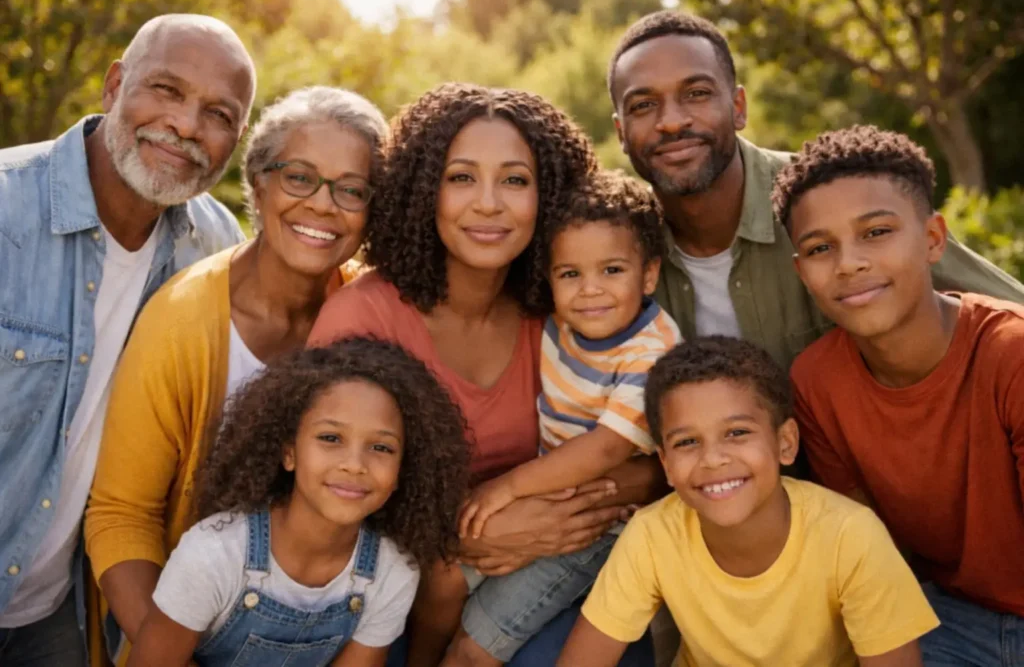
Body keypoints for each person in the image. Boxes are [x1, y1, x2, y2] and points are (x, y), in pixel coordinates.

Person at [308, 83, 661, 666]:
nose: (489, 203)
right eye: (462, 177)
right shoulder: (364, 318)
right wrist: (463, 531)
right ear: (425, 191)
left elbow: (654, 464)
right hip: (383, 595)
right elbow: (326, 496)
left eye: (515, 180)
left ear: (548, 197)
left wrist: (537, 518)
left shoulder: (570, 312)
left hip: (533, 565)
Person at [82, 85, 389, 666]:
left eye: (351, 189)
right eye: (299, 177)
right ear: (258, 181)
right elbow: (121, 518)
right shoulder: (181, 323)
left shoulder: (372, 313)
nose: (323, 205)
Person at [0, 13, 254, 665]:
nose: (186, 125)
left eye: (218, 114)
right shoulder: (6, 209)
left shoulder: (213, 248)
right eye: (165, 90)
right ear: (114, 87)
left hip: (52, 610)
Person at [606, 10, 1024, 371]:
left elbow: (1004, 309)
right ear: (621, 132)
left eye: (696, 94)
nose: (672, 121)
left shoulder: (829, 194)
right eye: (643, 105)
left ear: (738, 108)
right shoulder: (617, 247)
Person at [780, 126, 1024, 665]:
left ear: (934, 238)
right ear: (802, 273)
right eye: (820, 248)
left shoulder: (1012, 353)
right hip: (947, 621)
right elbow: (872, 556)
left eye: (876, 232)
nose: (848, 263)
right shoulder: (816, 384)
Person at [557, 336, 940, 667]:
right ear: (666, 465)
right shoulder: (652, 536)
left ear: (785, 443)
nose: (713, 458)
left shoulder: (850, 536)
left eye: (737, 432)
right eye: (687, 442)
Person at [438, 170, 682, 666]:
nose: (590, 290)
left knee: (475, 644)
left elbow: (608, 449)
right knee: (438, 574)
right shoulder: (558, 321)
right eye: (570, 274)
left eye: (612, 270)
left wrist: (507, 488)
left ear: (649, 274)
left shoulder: (650, 353)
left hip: (598, 526)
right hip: (546, 491)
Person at [126, 338, 471, 667]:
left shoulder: (392, 572)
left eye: (381, 447)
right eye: (330, 438)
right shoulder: (213, 556)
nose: (354, 464)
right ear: (289, 452)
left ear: (403, 470)